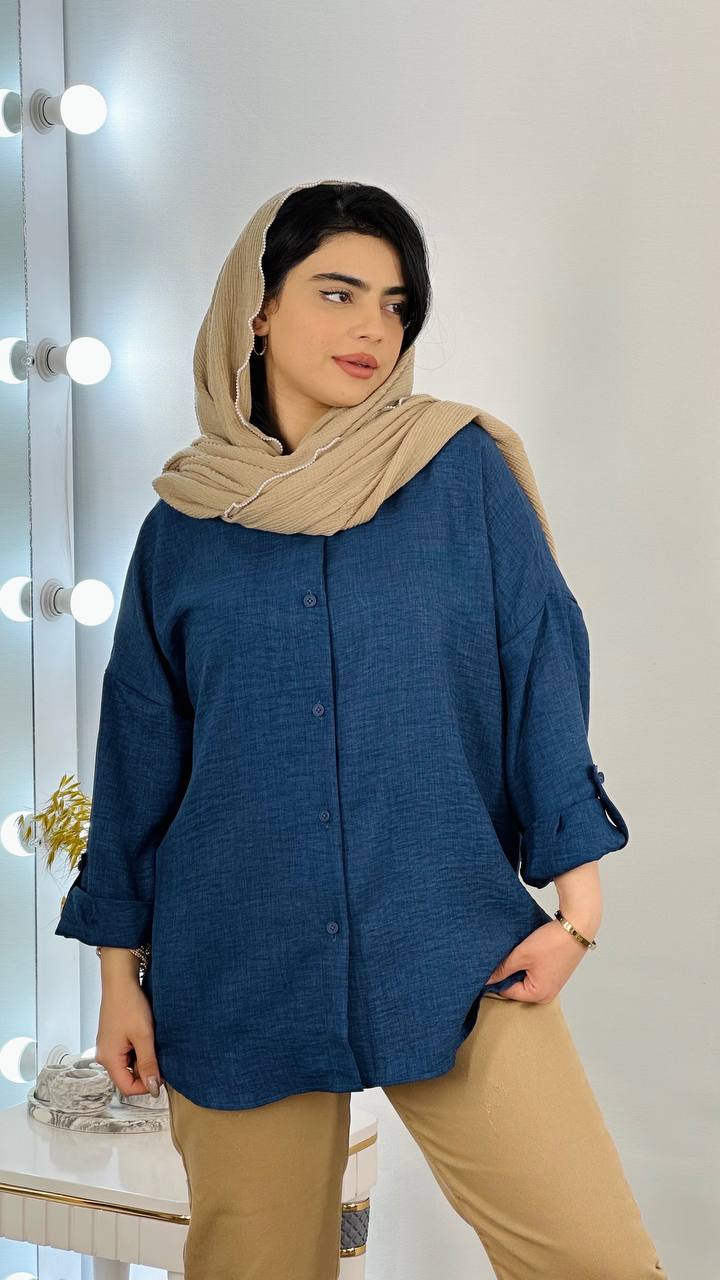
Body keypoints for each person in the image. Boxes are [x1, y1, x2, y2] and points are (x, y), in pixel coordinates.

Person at [55, 178, 669, 1279]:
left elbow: (540, 666)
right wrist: (118, 976)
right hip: (237, 957)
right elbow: (141, 755)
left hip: (455, 939)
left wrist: (578, 911)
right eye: (338, 293)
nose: (373, 329)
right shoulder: (184, 525)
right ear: (256, 308)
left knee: (597, 1258)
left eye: (395, 305)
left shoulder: (459, 473)